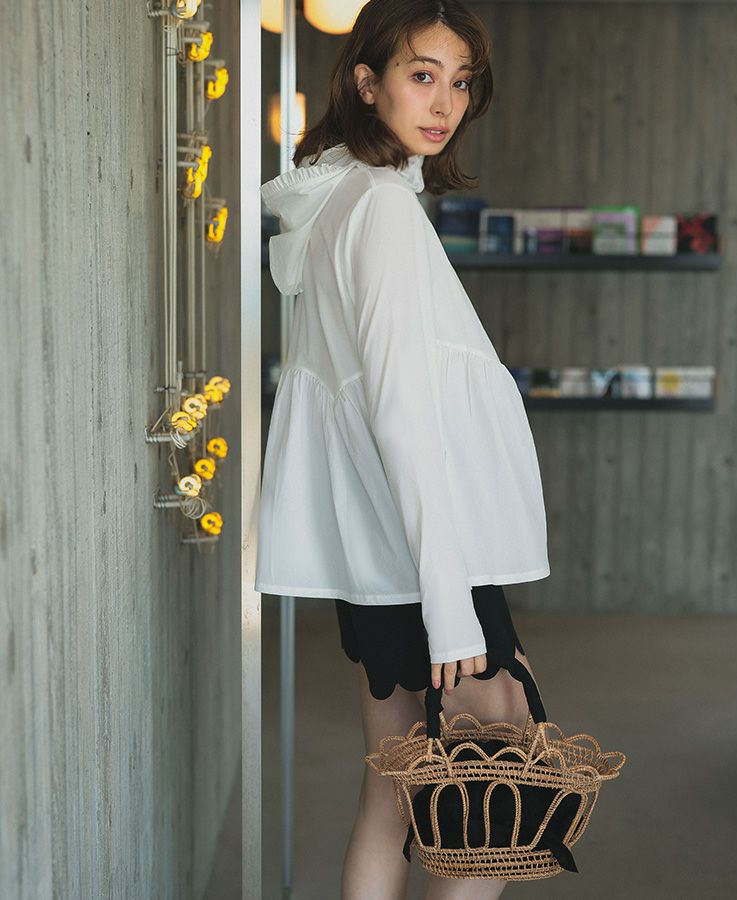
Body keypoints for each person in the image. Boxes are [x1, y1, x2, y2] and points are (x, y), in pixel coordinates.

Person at [257, 1, 551, 896]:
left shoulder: (342, 196)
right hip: (423, 553)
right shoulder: (380, 209)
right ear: (366, 81)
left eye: (460, 82)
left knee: (395, 780)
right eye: (422, 75)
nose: (445, 102)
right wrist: (449, 602)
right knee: (501, 778)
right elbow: (399, 410)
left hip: (383, 551)